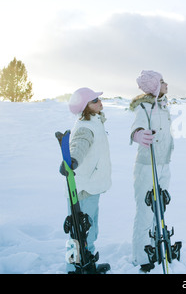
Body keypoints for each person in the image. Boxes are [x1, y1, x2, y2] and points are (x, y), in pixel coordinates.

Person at [60, 87, 112, 274]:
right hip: (83, 189)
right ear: (86, 107)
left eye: (99, 99)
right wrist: (72, 160)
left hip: (92, 185)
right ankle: (72, 268)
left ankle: (87, 264)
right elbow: (79, 145)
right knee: (79, 230)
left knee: (89, 229)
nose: (100, 102)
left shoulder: (95, 121)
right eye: (95, 100)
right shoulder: (85, 127)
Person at [129, 70, 174, 273]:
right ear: (155, 86)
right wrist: (138, 135)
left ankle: (157, 245)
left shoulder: (163, 106)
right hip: (147, 165)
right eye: (163, 82)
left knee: (160, 207)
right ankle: (141, 256)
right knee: (146, 210)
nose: (167, 85)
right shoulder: (145, 107)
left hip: (163, 163)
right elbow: (136, 127)